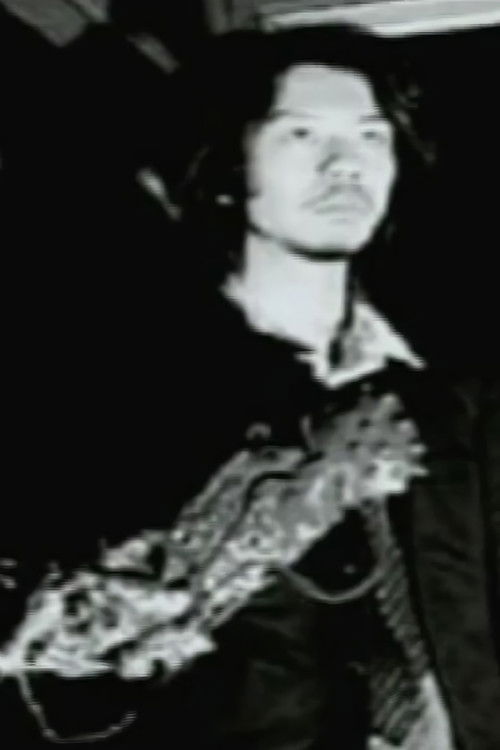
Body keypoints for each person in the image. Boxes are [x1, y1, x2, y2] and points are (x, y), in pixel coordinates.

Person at [0, 22, 468, 750]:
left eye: (372, 137)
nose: (346, 164)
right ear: (227, 165)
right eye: (302, 134)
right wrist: (282, 509)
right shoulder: (107, 382)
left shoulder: (446, 394)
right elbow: (52, 671)